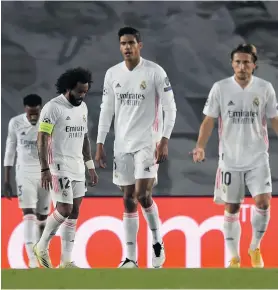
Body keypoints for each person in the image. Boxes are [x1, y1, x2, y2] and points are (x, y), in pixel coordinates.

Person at [95, 27, 177, 268]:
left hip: (147, 144)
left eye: (131, 42)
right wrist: (100, 142)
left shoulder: (155, 72)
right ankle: (130, 257)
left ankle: (157, 241)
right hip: (122, 145)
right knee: (128, 199)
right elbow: (106, 109)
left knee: (142, 195)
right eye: (123, 43)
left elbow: (170, 108)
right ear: (119, 46)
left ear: (140, 45)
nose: (127, 47)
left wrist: (164, 139)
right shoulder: (112, 74)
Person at [193, 44, 278, 268]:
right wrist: (200, 146)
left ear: (254, 65)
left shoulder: (265, 88)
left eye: (246, 62)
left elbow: (274, 118)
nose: (242, 66)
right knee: (231, 207)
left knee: (263, 202)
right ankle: (234, 257)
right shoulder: (220, 88)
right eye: (238, 62)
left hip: (258, 157)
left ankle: (255, 247)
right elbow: (209, 120)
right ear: (232, 64)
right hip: (230, 159)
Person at [33, 67, 98, 268]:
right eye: (79, 91)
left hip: (77, 165)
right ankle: (41, 246)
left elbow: (84, 138)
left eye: (85, 91)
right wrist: (45, 169)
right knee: (64, 208)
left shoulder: (83, 107)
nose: (82, 95)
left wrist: (90, 166)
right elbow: (42, 139)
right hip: (58, 166)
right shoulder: (53, 108)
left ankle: (66, 261)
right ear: (69, 88)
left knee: (75, 211)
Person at [3, 94, 51, 268]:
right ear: (25, 109)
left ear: (40, 109)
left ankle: (41, 252)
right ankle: (31, 258)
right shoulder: (15, 123)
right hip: (24, 174)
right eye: (30, 113)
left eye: (36, 113)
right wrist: (6, 179)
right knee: (28, 213)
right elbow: (10, 150)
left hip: (45, 174)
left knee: (43, 217)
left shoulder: (48, 123)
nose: (33, 116)